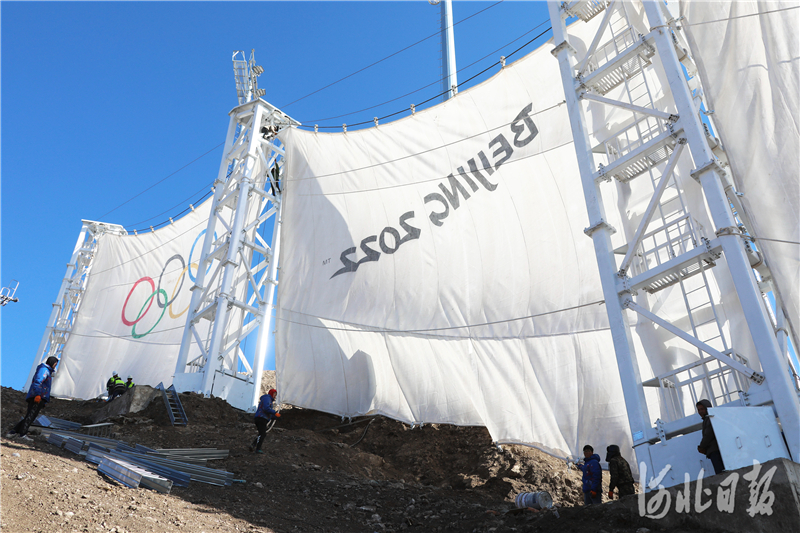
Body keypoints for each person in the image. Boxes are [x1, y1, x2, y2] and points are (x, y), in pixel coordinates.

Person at [6, 356, 59, 440]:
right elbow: (38, 382)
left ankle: (13, 432)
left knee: (30, 416)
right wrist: (38, 394)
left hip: (40, 397)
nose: (55, 366)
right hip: (37, 396)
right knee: (30, 416)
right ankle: (22, 434)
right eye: (55, 364)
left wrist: (44, 401)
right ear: (52, 363)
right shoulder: (44, 370)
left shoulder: (46, 371)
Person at [696, 399, 725, 474]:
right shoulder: (708, 419)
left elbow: (708, 435)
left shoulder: (709, 419)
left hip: (714, 450)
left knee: (720, 473)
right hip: (716, 449)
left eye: (702, 409)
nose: (700, 411)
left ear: (707, 408)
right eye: (699, 410)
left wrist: (701, 446)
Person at [249, 388, 280, 454]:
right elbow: (266, 408)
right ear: (271, 393)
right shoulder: (267, 398)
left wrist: (275, 417)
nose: (275, 396)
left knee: (261, 433)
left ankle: (253, 445)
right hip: (261, 418)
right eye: (274, 394)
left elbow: (267, 411)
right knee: (262, 433)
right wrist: (274, 413)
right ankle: (258, 449)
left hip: (261, 418)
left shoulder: (268, 400)